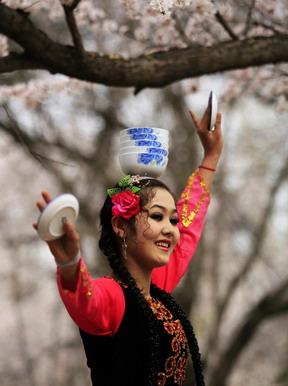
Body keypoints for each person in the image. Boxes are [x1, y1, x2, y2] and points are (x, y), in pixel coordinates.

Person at [33, 105, 223, 386]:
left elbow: (190, 226)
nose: (171, 229)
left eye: (173, 220)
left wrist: (211, 157)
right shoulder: (112, 296)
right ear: (121, 226)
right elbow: (85, 299)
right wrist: (70, 263)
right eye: (157, 217)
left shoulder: (157, 290)